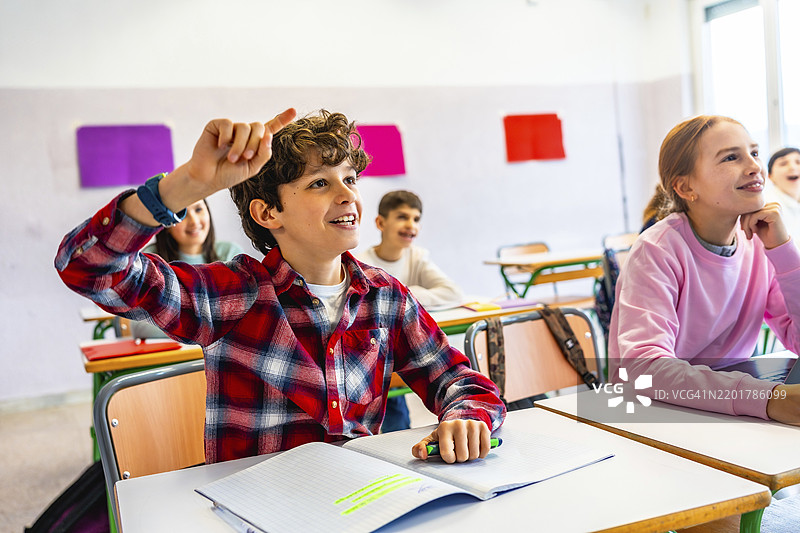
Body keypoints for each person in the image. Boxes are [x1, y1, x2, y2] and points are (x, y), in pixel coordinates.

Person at [55, 108, 505, 464]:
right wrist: (184, 186)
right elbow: (87, 267)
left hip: (359, 503)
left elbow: (460, 382)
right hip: (257, 510)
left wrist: (466, 418)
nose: (347, 194)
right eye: (319, 183)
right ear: (268, 214)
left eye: (350, 178)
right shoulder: (235, 294)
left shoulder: (384, 297)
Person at [608, 115, 800, 425]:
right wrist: (765, 398)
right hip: (652, 412)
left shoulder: (758, 243)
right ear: (686, 187)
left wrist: (783, 250)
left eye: (754, 152)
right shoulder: (657, 249)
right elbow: (643, 368)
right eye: (730, 157)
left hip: (729, 401)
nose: (754, 167)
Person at [358, 190, 465, 432]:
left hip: (406, 346)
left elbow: (452, 292)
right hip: (378, 350)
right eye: (402, 217)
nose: (411, 225)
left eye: (416, 219)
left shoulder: (417, 258)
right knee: (387, 386)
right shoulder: (361, 262)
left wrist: (404, 295)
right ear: (380, 223)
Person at [129, 198, 244, 339]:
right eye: (181, 213)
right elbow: (139, 326)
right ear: (166, 222)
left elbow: (241, 316)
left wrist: (180, 324)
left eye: (198, 209)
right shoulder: (151, 260)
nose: (194, 221)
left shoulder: (230, 254)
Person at [764, 147, 800, 240]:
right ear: (770, 176)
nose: (793, 167)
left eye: (798, 162)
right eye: (783, 164)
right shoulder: (767, 206)